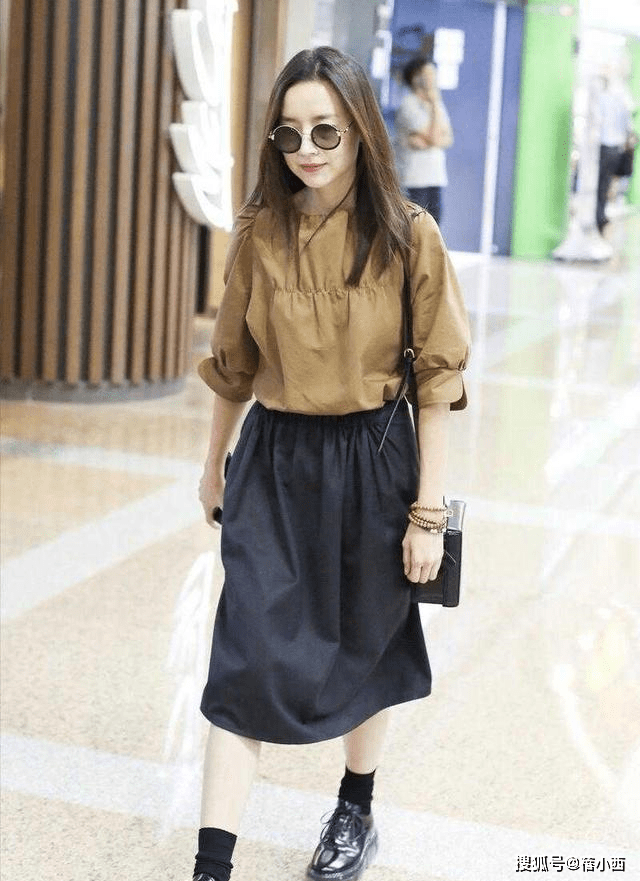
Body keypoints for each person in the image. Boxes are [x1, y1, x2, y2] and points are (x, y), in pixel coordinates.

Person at [192, 46, 470, 881]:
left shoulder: (409, 235)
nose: (306, 149)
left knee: (366, 649)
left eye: (325, 131)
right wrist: (213, 465)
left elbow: (437, 383)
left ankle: (356, 806)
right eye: (288, 134)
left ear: (360, 130)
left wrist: (427, 514)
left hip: (373, 462)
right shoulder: (260, 234)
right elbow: (234, 364)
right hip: (274, 461)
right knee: (245, 653)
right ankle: (211, 865)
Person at [394, 57, 453, 226]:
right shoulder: (409, 104)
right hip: (415, 180)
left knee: (435, 226)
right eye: (427, 74)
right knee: (416, 228)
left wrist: (433, 140)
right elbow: (435, 137)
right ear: (415, 78)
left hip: (435, 177)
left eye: (433, 73)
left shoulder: (437, 105)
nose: (433, 78)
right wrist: (434, 105)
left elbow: (448, 138)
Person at [595, 74, 633, 234]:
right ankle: (600, 215)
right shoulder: (623, 101)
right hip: (616, 149)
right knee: (606, 182)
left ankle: (598, 216)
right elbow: (628, 128)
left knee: (600, 183)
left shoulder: (603, 100)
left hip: (604, 147)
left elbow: (597, 123)